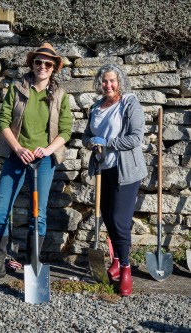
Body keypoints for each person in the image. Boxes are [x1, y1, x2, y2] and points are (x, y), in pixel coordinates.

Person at [0, 42, 72, 284]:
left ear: (53, 68)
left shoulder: (60, 95)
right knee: (1, 210)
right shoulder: (17, 88)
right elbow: (2, 121)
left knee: (37, 214)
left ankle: (33, 267)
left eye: (47, 64)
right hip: (16, 157)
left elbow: (66, 130)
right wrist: (19, 148)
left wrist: (47, 150)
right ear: (32, 64)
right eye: (38, 62)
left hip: (43, 161)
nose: (42, 66)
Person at [82, 64, 147, 296]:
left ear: (120, 82)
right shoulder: (97, 106)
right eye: (104, 81)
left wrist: (106, 142)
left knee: (120, 219)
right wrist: (91, 142)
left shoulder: (130, 103)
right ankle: (117, 260)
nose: (108, 85)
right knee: (108, 216)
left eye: (112, 81)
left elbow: (135, 138)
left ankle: (127, 268)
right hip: (104, 169)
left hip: (126, 171)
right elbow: (86, 136)